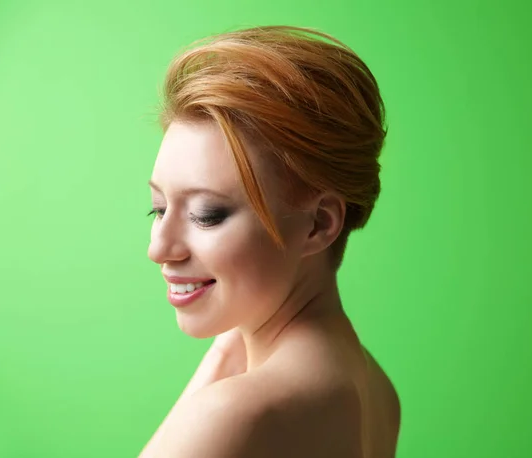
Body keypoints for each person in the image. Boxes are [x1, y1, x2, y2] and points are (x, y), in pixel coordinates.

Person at [139, 25, 401, 458]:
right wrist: (234, 341)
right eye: (159, 208)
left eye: (207, 215)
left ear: (319, 223)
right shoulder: (375, 390)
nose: (159, 249)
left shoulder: (233, 414)